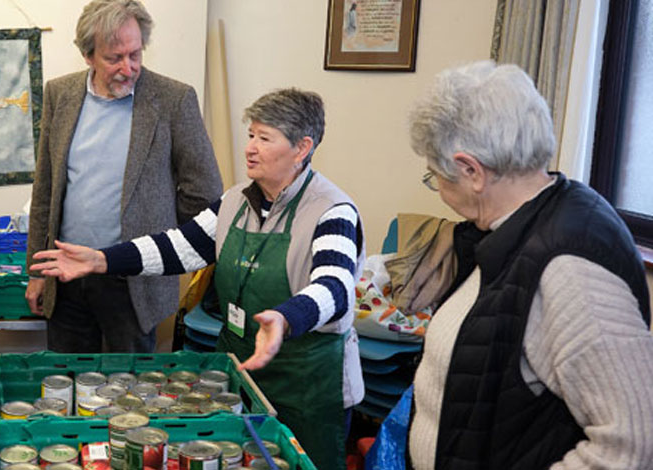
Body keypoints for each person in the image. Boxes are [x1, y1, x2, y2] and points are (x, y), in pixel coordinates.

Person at [32, 89, 364, 470]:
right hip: (241, 370)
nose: (250, 148)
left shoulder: (332, 209)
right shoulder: (237, 200)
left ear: (302, 147)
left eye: (264, 138)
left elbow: (334, 287)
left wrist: (287, 317)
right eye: (251, 135)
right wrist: (102, 259)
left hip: (308, 385)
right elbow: (179, 247)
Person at [405, 61, 653, 468]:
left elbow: (633, 444)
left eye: (436, 176)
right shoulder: (513, 226)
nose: (438, 190)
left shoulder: (572, 268)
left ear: (471, 171)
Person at [25, 0, 223, 353]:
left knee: (130, 393)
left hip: (132, 281)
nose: (127, 68)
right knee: (66, 384)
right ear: (88, 55)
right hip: (66, 276)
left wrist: (167, 248)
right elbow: (46, 189)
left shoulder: (174, 99)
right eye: (114, 58)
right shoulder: (60, 94)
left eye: (135, 55)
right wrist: (38, 271)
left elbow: (203, 193)